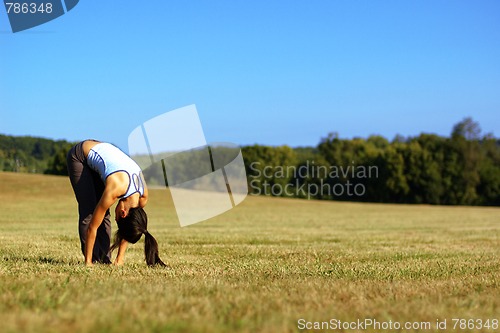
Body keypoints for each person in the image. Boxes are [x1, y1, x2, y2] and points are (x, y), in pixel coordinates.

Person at [66, 139, 166, 266]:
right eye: (117, 219)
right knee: (90, 213)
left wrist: (120, 258)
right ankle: (93, 259)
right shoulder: (116, 187)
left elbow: (130, 226)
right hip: (80, 155)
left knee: (104, 214)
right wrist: (88, 263)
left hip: (103, 154)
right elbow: (93, 226)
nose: (116, 217)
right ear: (123, 213)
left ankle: (104, 260)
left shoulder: (142, 198)